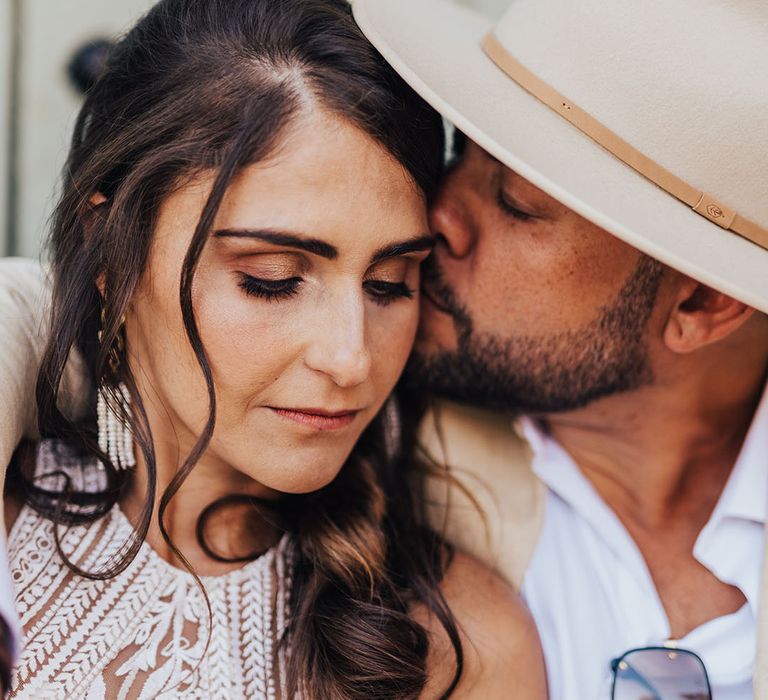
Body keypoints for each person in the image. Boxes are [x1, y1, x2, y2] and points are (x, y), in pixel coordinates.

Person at [0, 0, 547, 698]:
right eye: (272, 281)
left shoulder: (456, 644)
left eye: (390, 284)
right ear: (113, 253)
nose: (351, 360)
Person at [351, 0, 768, 698]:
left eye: (516, 202)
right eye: (466, 152)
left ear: (701, 304)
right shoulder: (353, 448)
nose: (439, 218)